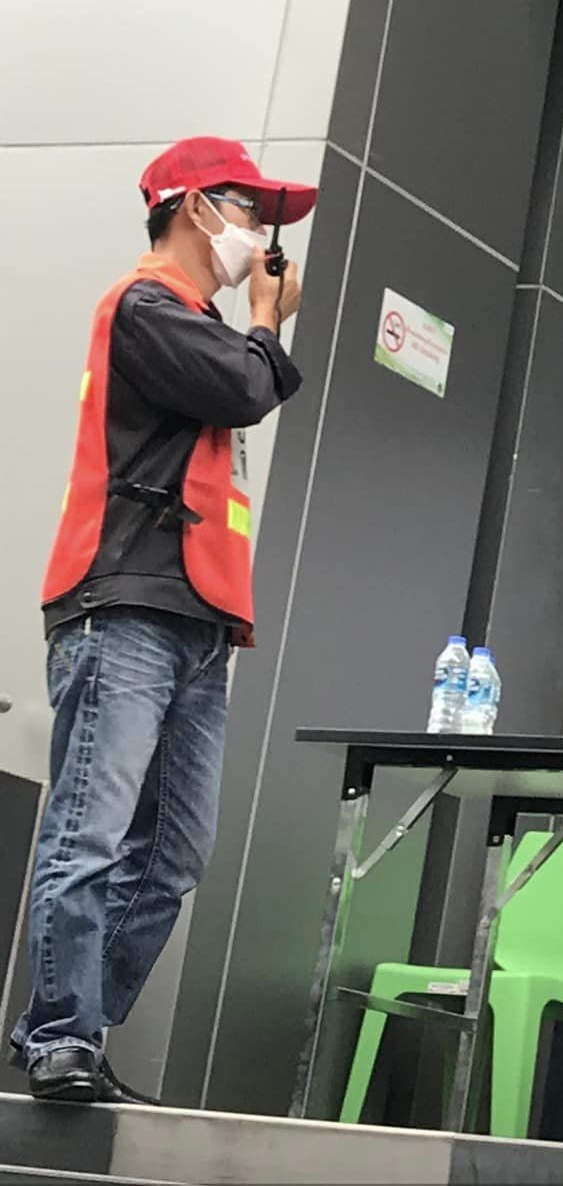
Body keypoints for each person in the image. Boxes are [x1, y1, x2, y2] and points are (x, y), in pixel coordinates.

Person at [10, 137, 313, 1104]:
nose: (262, 235)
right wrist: (266, 320)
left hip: (196, 617)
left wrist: (256, 330)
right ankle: (59, 1035)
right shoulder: (147, 305)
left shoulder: (198, 326)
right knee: (91, 831)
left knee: (173, 852)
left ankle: (77, 1035)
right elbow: (248, 387)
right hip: (126, 604)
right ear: (194, 206)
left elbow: (248, 383)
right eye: (251, 210)